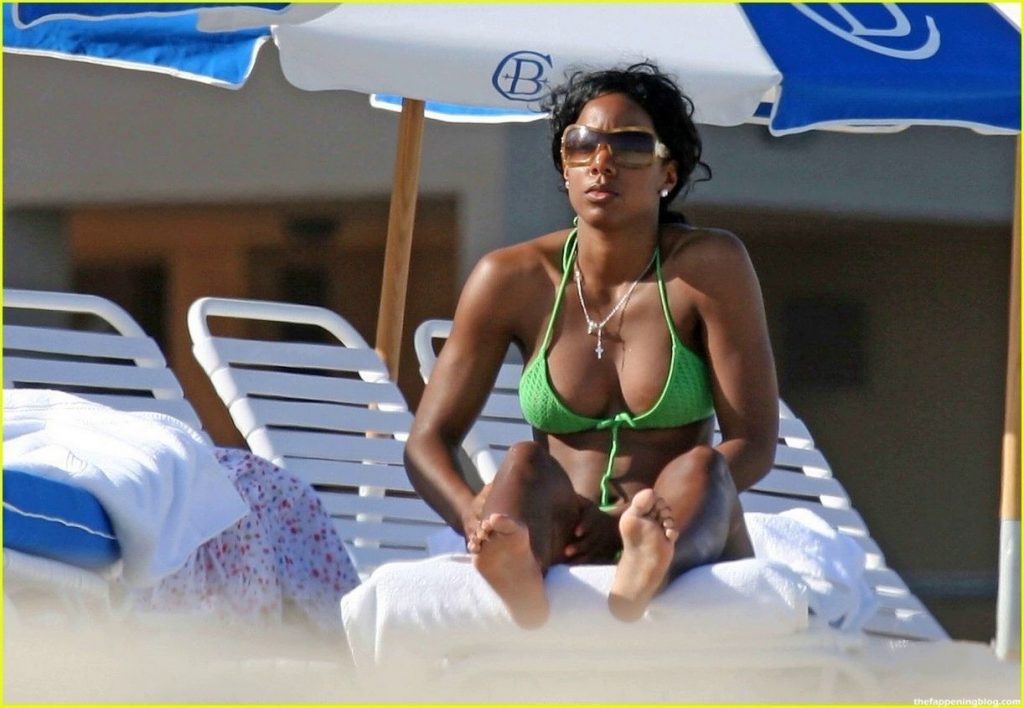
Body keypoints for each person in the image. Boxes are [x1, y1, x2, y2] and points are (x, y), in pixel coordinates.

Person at [405, 62, 778, 628]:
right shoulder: (511, 278)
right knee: (523, 462)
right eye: (581, 145)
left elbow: (753, 442)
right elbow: (427, 441)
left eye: (630, 146)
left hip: (675, 518)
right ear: (565, 165)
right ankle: (512, 560)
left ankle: (647, 555)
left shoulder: (707, 268)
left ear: (668, 173)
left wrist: (634, 515)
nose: (601, 162)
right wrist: (470, 515)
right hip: (564, 528)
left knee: (703, 466)